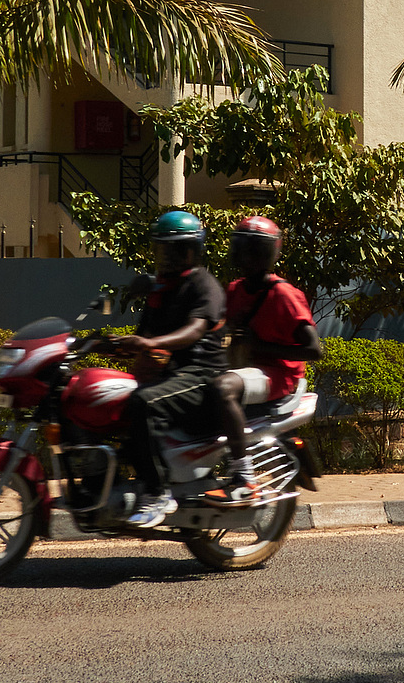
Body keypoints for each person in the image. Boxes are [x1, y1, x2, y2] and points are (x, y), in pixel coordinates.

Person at [112, 209, 228, 527]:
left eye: (172, 249)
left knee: (143, 402)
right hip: (173, 375)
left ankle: (156, 493)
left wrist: (150, 345)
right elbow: (145, 336)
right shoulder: (161, 289)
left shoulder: (204, 285)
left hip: (201, 374)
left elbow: (194, 331)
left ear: (191, 250)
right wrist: (111, 345)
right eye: (160, 248)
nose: (164, 256)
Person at [203, 216, 322, 505]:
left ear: (266, 253)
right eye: (242, 248)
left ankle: (244, 478)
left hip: (279, 375)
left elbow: (313, 350)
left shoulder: (284, 295)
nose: (245, 256)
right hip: (247, 369)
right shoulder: (234, 290)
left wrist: (262, 347)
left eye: (252, 250)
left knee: (224, 388)